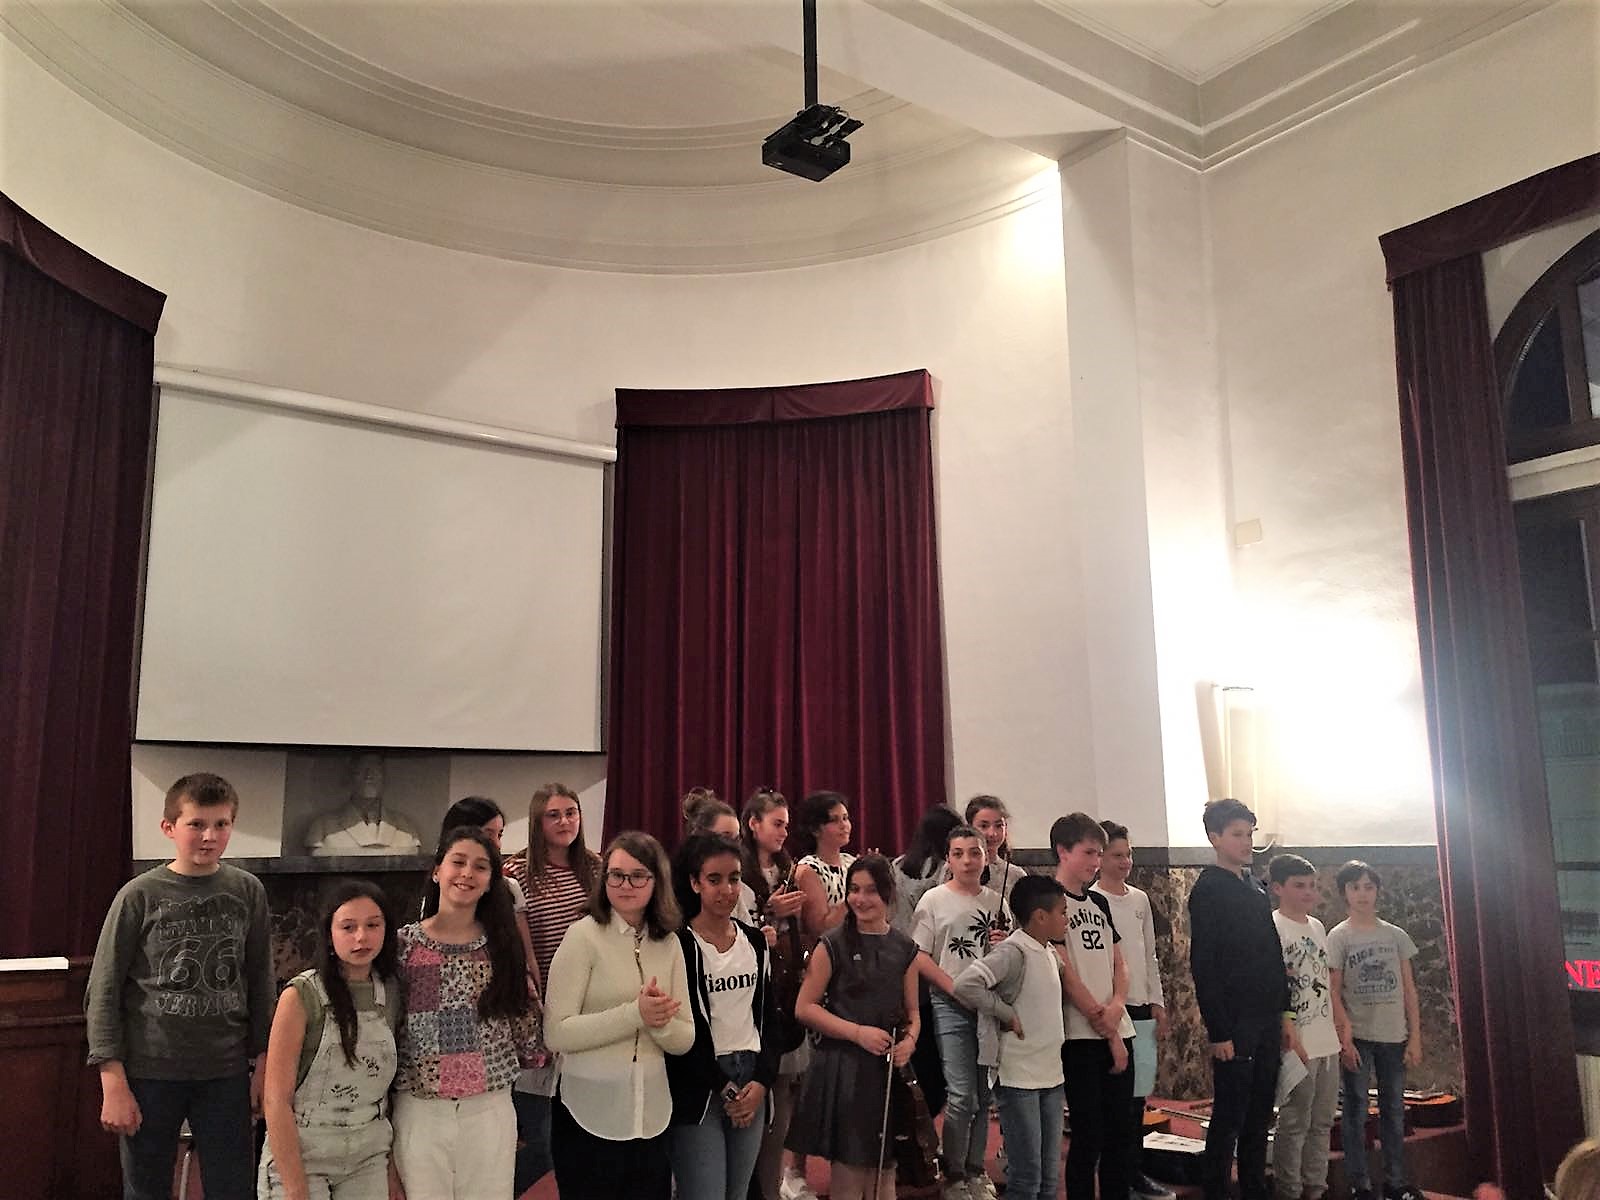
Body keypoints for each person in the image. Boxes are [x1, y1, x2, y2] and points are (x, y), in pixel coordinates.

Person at [85, 772, 275, 1200]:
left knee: (233, 1187)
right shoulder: (138, 896)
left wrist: (265, 1063)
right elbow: (104, 990)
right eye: (197, 824)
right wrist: (112, 1081)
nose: (210, 836)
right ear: (169, 827)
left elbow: (262, 982)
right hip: (150, 1072)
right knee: (147, 1188)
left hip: (225, 1072)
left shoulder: (248, 891)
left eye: (222, 824)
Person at [543, 831, 695, 1200]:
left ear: (657, 881)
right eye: (616, 875)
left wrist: (657, 1023)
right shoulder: (582, 937)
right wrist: (635, 1015)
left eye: (638, 876)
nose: (626, 885)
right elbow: (557, 1033)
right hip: (587, 1112)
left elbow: (685, 1038)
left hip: (651, 1115)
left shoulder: (669, 942)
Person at [391, 827, 541, 1200]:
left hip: (488, 1109)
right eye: (458, 862)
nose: (467, 874)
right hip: (421, 1110)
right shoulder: (402, 947)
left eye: (480, 867)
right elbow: (388, 1026)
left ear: (491, 882)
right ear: (437, 870)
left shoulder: (503, 948)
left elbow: (527, 1031)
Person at [785, 855, 921, 1200]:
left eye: (871, 890)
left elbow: (913, 1012)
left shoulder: (904, 947)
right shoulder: (832, 944)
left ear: (888, 893)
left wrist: (910, 1041)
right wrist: (857, 1033)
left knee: (885, 1174)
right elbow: (804, 1008)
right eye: (854, 890)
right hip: (845, 1068)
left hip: (887, 1071)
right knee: (849, 1173)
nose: (860, 899)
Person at [259, 880, 401, 1200]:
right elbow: (276, 1100)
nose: (361, 937)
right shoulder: (301, 995)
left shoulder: (390, 992)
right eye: (348, 927)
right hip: (303, 1153)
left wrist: (391, 1167)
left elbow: (389, 1093)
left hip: (368, 1155)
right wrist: (295, 1187)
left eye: (372, 925)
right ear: (329, 935)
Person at [667, 832, 784, 1200]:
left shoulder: (755, 941)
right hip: (702, 1084)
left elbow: (768, 1020)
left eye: (734, 878)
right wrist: (724, 1087)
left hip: (751, 1076)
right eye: (714, 880)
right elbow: (684, 1029)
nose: (727, 890)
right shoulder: (679, 945)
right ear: (695, 883)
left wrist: (761, 1082)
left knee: (738, 1192)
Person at [501, 782, 603, 1193]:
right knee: (540, 1136)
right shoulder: (517, 874)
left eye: (571, 813)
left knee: (583, 1130)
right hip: (540, 1011)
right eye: (554, 815)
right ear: (537, 822)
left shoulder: (596, 868)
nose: (564, 822)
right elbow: (518, 950)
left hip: (593, 1010)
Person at [1187, 798, 1289, 1200]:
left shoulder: (1255, 887)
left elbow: (1271, 954)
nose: (1246, 842)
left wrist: (1283, 1011)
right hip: (1235, 1019)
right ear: (1215, 838)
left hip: (1265, 1014)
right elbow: (1205, 964)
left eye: (1249, 834)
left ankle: (1253, 1186)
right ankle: (1216, 1189)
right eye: (1237, 834)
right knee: (1230, 1113)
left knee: (1260, 1111)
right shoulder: (1209, 889)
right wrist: (1219, 1030)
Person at [953, 875, 1070, 1200]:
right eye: (1062, 912)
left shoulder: (1049, 952)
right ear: (1040, 916)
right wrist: (1005, 1013)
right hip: (1018, 1076)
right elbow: (966, 984)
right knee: (1026, 1176)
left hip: (1051, 1074)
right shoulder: (1013, 951)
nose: (1067, 919)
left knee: (1048, 1178)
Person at [911, 823, 1004, 1200]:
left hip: (989, 1006)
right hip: (949, 1003)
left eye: (975, 853)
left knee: (984, 1094)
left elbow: (1010, 956)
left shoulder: (996, 900)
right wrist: (955, 989)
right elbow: (920, 955)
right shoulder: (933, 900)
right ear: (948, 860)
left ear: (986, 857)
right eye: (959, 854)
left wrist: (1003, 944)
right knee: (962, 1094)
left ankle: (975, 1169)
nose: (968, 861)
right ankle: (953, 1173)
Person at [1327, 861, 1424, 1200]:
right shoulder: (1339, 936)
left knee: (1393, 1109)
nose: (1362, 894)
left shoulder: (1395, 936)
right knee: (1356, 1110)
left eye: (1368, 887)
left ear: (1378, 891)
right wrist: (1344, 1035)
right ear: (1344, 893)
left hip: (1393, 1035)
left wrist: (1415, 1036)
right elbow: (1333, 990)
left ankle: (1395, 1181)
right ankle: (1361, 1184)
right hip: (1359, 1036)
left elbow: (1409, 989)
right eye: (1355, 887)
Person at [1052, 812, 1135, 1200]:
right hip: (1081, 1033)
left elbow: (1120, 962)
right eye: (1088, 852)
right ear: (1063, 851)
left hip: (1116, 1022)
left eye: (1100, 853)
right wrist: (1105, 1025)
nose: (1096, 861)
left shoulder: (1098, 901)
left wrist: (1117, 1005)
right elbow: (1065, 970)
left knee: (1121, 1130)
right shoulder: (1050, 900)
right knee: (1089, 1133)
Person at [1093, 821, 1175, 1200]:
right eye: (1116, 855)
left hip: (1141, 1006)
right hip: (1113, 1010)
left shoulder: (1140, 899)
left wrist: (1157, 1001)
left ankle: (1136, 1171)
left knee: (1139, 1097)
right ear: (1100, 858)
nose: (1125, 861)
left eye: (1128, 854)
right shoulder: (1093, 900)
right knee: (1116, 1102)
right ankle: (1116, 1175)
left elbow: (1149, 954)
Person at [740, 788, 812, 1200]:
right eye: (777, 823)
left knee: (782, 1098)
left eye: (786, 824)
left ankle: (770, 1187)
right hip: (746, 988)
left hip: (783, 987)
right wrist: (769, 911)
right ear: (754, 824)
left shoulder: (789, 868)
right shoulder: (737, 870)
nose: (784, 831)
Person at [1267, 854, 1343, 1200]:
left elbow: (1324, 980)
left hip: (1325, 1036)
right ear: (1278, 888)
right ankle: (1290, 1190)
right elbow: (1275, 985)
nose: (1308, 892)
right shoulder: (1273, 927)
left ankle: (1316, 1187)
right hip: (1296, 1036)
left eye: (1312, 885)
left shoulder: (1317, 926)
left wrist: (1340, 1023)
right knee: (1296, 1120)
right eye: (1299, 886)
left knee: (1323, 1120)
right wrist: (1289, 1030)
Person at [891, 805, 963, 1121]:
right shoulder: (947, 873)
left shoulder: (897, 867)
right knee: (943, 1067)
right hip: (941, 971)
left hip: (905, 970)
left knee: (918, 1063)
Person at [305, 752, 422, 856]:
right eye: (361, 769)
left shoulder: (406, 827)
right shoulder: (322, 828)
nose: (369, 776)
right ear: (349, 777)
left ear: (385, 777)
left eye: (376, 769)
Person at [682, 787, 761, 925]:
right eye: (725, 838)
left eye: (736, 839)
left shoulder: (745, 893)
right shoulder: (675, 892)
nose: (733, 847)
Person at [794, 790, 858, 939]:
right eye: (834, 820)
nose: (844, 825)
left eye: (845, 818)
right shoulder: (809, 869)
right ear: (815, 829)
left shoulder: (851, 862)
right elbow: (820, 930)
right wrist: (855, 895)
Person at [964, 796, 1027, 908]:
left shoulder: (1015, 875)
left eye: (998, 826)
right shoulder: (954, 870)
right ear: (970, 827)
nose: (992, 833)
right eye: (984, 826)